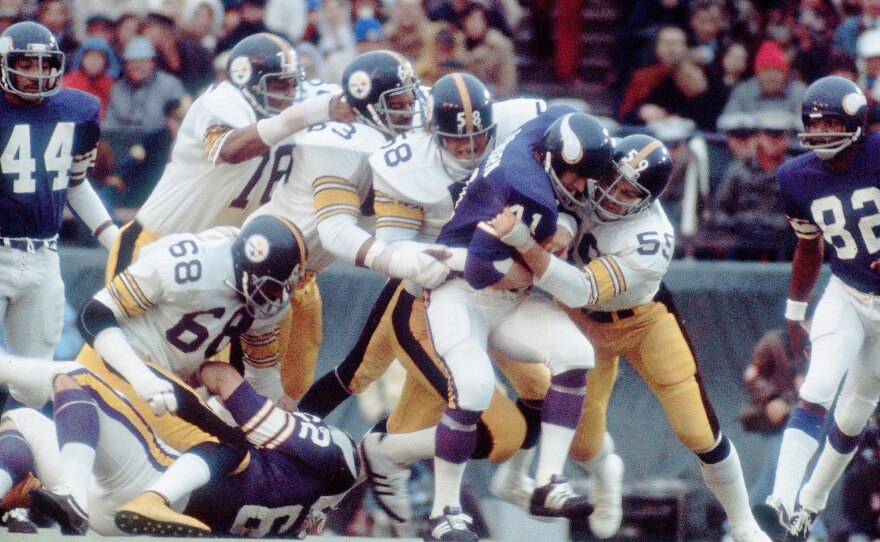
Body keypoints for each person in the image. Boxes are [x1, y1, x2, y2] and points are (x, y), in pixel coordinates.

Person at [296, 73, 554, 526]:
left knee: (543, 393)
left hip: (493, 299)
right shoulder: (405, 163)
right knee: (360, 373)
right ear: (436, 133)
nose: (471, 149)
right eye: (458, 140)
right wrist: (458, 260)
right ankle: (293, 449)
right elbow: (398, 251)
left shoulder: (520, 125)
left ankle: (377, 462)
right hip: (426, 295)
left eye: (480, 135)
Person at [486, 134, 773, 542]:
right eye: (610, 179)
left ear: (646, 200)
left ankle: (744, 524)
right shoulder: (587, 178)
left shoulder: (649, 237)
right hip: (584, 326)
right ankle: (608, 474)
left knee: (697, 431)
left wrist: (524, 243)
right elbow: (560, 202)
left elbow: (577, 288)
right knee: (582, 447)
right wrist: (564, 221)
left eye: (626, 192)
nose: (610, 195)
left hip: (644, 322)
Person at [102, 33, 354, 404]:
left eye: (291, 83)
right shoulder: (220, 99)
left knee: (214, 388)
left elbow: (348, 95)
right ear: (245, 81)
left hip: (225, 263)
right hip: (155, 246)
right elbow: (233, 149)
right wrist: (314, 112)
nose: (288, 92)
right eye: (277, 84)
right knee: (129, 370)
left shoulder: (299, 99)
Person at [19, 214, 307, 535]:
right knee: (226, 444)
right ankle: (152, 502)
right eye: (269, 286)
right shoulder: (188, 265)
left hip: (163, 380)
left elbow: (262, 372)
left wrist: (280, 428)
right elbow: (94, 314)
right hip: (124, 363)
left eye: (283, 288)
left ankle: (50, 490)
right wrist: (141, 377)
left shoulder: (269, 303)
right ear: (244, 264)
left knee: (211, 452)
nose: (276, 298)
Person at [412, 110, 613, 541]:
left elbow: (560, 113)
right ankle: (443, 511)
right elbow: (483, 270)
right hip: (460, 289)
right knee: (474, 387)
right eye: (577, 177)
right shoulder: (526, 187)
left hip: (507, 298)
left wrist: (567, 220)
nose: (580, 186)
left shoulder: (552, 129)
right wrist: (529, 270)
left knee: (577, 355)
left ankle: (547, 482)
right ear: (558, 160)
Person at [246, 50, 454, 403]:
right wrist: (404, 261)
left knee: (293, 395)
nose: (409, 110)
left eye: (409, 99)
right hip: (265, 271)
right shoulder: (339, 141)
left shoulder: (391, 121)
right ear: (366, 107)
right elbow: (336, 231)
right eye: (397, 104)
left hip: (306, 276)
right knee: (249, 396)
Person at [0, 355, 361, 537]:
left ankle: (75, 495)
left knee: (74, 376)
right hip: (120, 513)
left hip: (148, 480)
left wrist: (194, 372)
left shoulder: (323, 453)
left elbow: (221, 376)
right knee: (25, 422)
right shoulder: (297, 517)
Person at [751, 75, 880, 542]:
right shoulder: (795, 176)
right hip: (846, 291)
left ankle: (809, 506)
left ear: (855, 122)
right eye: (814, 123)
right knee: (818, 386)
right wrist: (793, 311)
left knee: (852, 415)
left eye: (830, 122)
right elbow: (809, 247)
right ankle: (781, 499)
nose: (821, 132)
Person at [0, 21, 119, 360]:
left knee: (36, 384)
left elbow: (76, 184)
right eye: (25, 65)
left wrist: (114, 239)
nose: (37, 74)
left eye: (44, 64)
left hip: (43, 258)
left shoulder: (78, 111)